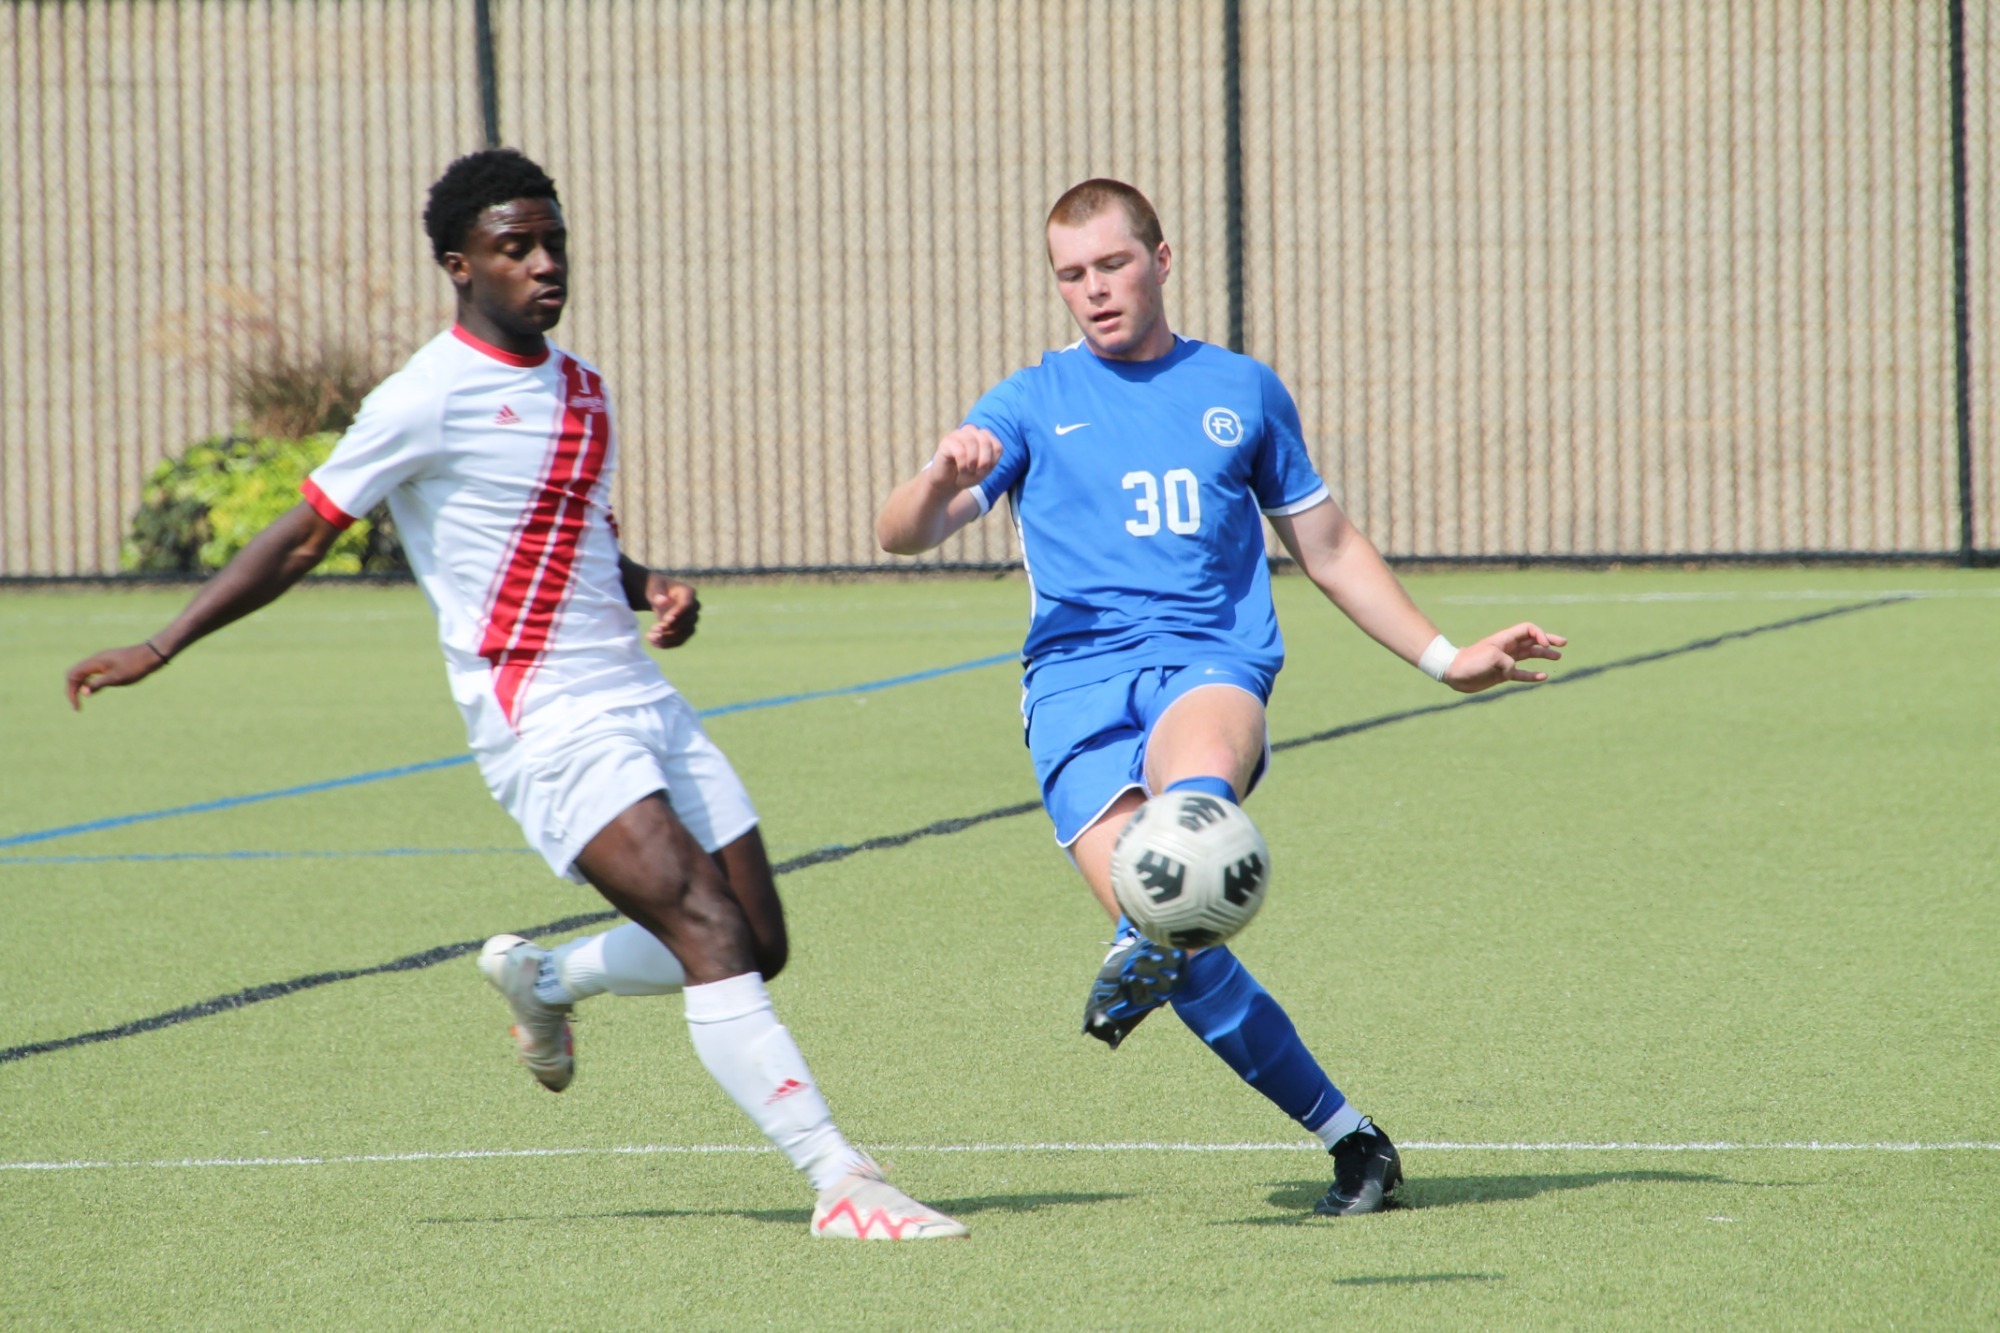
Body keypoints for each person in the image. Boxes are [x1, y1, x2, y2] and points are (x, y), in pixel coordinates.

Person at [65, 148, 965, 1242]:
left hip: (635, 692)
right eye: (514, 247)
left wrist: (649, 587)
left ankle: (547, 979)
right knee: (704, 930)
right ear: (459, 266)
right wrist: (163, 643)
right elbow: (305, 534)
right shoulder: (422, 397)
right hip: (540, 713)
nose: (544, 264)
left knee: (757, 937)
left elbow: (573, 535)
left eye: (553, 243)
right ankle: (839, 1181)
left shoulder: (583, 389)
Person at [875, 178, 1564, 1216]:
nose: (1094, 289)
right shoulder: (1026, 402)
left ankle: (1148, 925)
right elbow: (901, 531)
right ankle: (1352, 1139)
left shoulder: (1241, 390)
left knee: (1179, 839)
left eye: (1112, 263)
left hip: (1207, 660)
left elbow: (1326, 546)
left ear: (1162, 257)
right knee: (1176, 947)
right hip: (1069, 687)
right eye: (1071, 274)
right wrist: (937, 475)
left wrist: (1443, 657)